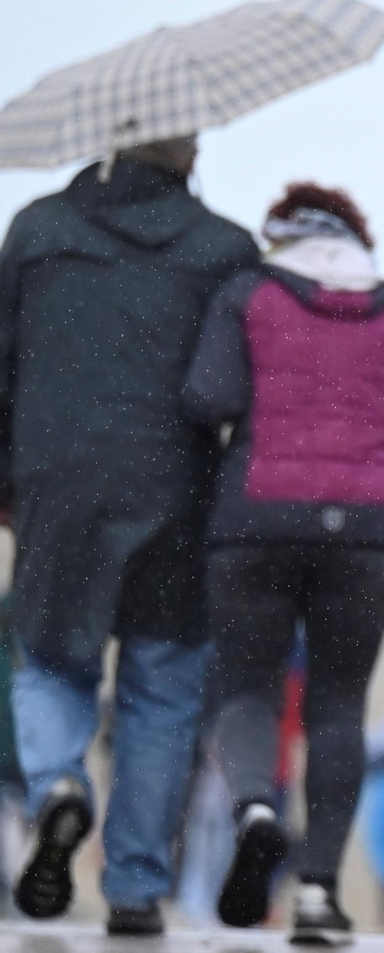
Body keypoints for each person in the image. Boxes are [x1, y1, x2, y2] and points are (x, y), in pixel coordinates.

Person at [182, 182, 384, 944]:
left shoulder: (249, 293)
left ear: (283, 234)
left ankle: (255, 809)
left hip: (257, 518)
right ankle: (316, 892)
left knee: (247, 687)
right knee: (338, 704)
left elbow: (209, 396)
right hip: (366, 533)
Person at [0, 136, 258, 937]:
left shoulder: (37, 230)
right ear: (190, 153)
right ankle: (136, 884)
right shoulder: (225, 247)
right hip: (176, 487)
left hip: (57, 478)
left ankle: (58, 788)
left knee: (47, 655)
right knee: (162, 685)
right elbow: (231, 388)